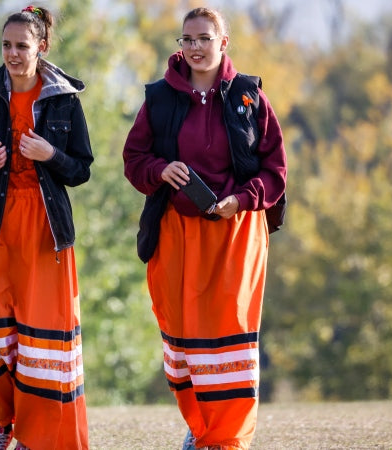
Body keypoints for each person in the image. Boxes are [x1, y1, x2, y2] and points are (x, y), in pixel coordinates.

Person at [123, 7, 286, 450]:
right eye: (187, 39)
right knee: (181, 340)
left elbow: (276, 171)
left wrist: (242, 199)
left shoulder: (250, 96)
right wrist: (162, 170)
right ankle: (200, 428)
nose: (195, 47)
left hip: (237, 232)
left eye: (204, 38)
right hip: (177, 232)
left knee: (230, 337)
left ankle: (226, 440)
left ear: (223, 43)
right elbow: (133, 161)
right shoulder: (158, 98)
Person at [0, 6, 93, 450]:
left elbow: (80, 170)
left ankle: (36, 434)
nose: (12, 53)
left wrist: (50, 154)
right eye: (6, 45)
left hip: (44, 231)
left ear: (41, 47)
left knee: (42, 335)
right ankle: (2, 422)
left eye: (21, 46)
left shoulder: (64, 99)